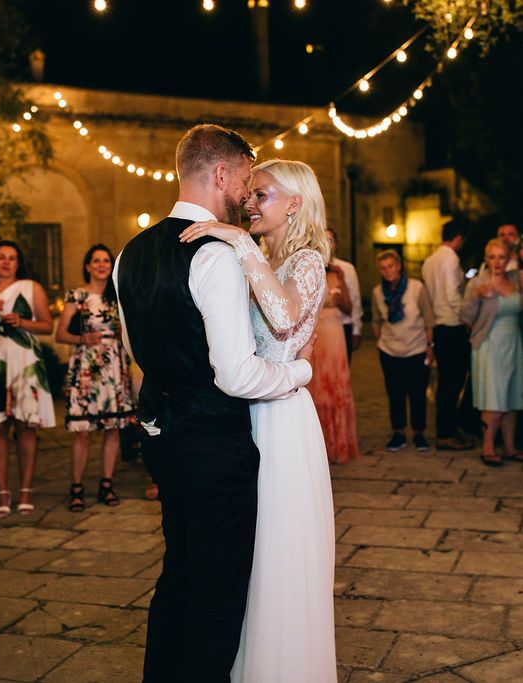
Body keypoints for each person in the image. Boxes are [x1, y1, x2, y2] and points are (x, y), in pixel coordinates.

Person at [114, 125, 317, 682]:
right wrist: (299, 371)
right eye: (246, 180)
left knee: (176, 575)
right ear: (222, 174)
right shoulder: (216, 253)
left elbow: (138, 351)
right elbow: (236, 374)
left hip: (163, 440)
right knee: (216, 595)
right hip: (214, 448)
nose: (246, 196)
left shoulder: (127, 254)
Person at [179, 157, 337, 681]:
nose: (249, 203)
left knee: (278, 550)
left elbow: (287, 317)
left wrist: (241, 246)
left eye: (262, 194)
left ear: (295, 202)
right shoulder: (272, 259)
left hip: (282, 419)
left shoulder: (310, 260)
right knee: (249, 550)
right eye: (251, 194)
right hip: (248, 410)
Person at [0, 241, 55, 516]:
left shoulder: (32, 288)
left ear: (18, 263)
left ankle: (26, 490)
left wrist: (23, 323)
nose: (6, 262)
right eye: (1, 257)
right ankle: (2, 492)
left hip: (25, 361)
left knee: (26, 427)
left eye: (12, 258)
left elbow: (47, 325)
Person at [56, 244, 136, 512]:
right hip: (86, 368)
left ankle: (107, 483)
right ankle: (76, 487)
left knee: (112, 429)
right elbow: (60, 334)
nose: (101, 265)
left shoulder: (119, 297)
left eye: (106, 261)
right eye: (96, 261)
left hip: (113, 366)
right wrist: (81, 338)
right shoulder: (77, 296)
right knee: (82, 431)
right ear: (88, 266)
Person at [461, 239, 523, 466]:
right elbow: (465, 317)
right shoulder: (478, 282)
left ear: (509, 259)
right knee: (494, 397)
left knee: (512, 396)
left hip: (514, 343)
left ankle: (509, 447)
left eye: (501, 257)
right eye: (492, 257)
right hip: (490, 345)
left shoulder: (517, 279)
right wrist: (477, 296)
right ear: (486, 259)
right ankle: (487, 446)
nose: (496, 262)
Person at [372, 250, 435, 452]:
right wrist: (381, 340)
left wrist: (429, 346)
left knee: (417, 393)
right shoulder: (377, 293)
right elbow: (375, 321)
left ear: (398, 266)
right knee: (395, 393)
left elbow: (428, 319)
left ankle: (419, 433)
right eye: (383, 268)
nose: (387, 271)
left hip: (416, 348)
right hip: (390, 351)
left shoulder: (417, 288)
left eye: (391, 266)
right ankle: (398, 432)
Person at [421, 218, 474, 451]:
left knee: (445, 381)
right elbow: (453, 297)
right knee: (452, 383)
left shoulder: (430, 260)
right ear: (459, 238)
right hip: (453, 326)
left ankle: (447, 429)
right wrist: (468, 319)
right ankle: (446, 433)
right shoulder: (451, 259)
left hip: (439, 327)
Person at [309, 252, 360, 465]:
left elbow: (350, 307)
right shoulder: (307, 271)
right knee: (315, 388)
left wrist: (340, 297)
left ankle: (337, 446)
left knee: (334, 387)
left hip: (334, 334)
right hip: (313, 333)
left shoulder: (339, 273)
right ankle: (316, 448)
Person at [326, 228, 363, 361]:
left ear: (335, 244)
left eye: (330, 240)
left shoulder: (346, 268)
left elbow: (355, 299)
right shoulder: (310, 266)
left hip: (343, 324)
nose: (326, 244)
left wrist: (356, 329)